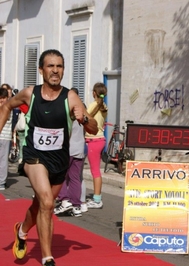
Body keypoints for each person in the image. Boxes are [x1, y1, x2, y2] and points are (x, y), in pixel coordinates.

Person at [0, 49, 98, 266]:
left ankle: (22, 231)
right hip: (34, 157)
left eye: (59, 66)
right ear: (41, 70)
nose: (55, 70)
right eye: (51, 66)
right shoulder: (29, 94)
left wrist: (84, 119)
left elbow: (93, 127)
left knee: (41, 204)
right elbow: (7, 105)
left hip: (59, 161)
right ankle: (47, 258)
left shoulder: (70, 97)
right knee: (46, 202)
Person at [54, 88, 86, 217]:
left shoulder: (68, 112)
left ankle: (65, 200)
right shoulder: (83, 111)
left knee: (60, 175)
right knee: (75, 178)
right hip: (79, 148)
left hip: (67, 149)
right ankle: (76, 205)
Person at [85, 82, 108, 209]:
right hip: (100, 139)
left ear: (94, 93)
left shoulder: (93, 105)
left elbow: (84, 119)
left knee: (95, 171)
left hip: (93, 140)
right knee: (96, 170)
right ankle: (97, 198)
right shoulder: (104, 106)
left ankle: (97, 199)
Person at [0, 87, 12, 190]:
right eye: (0, 98)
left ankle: (1, 182)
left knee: (3, 160)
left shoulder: (8, 107)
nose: (1, 100)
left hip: (5, 136)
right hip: (3, 136)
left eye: (3, 98)